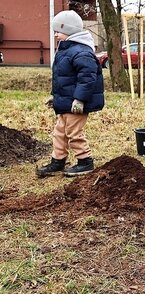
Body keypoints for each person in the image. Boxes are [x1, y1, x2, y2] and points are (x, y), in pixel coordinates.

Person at [36, 10, 104, 178]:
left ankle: (85, 161)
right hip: (66, 102)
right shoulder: (66, 50)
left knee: (74, 133)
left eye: (58, 31)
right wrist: (56, 97)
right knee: (59, 132)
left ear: (69, 30)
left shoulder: (81, 51)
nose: (56, 35)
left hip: (77, 104)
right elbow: (64, 79)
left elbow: (87, 78)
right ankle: (58, 161)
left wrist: (80, 99)